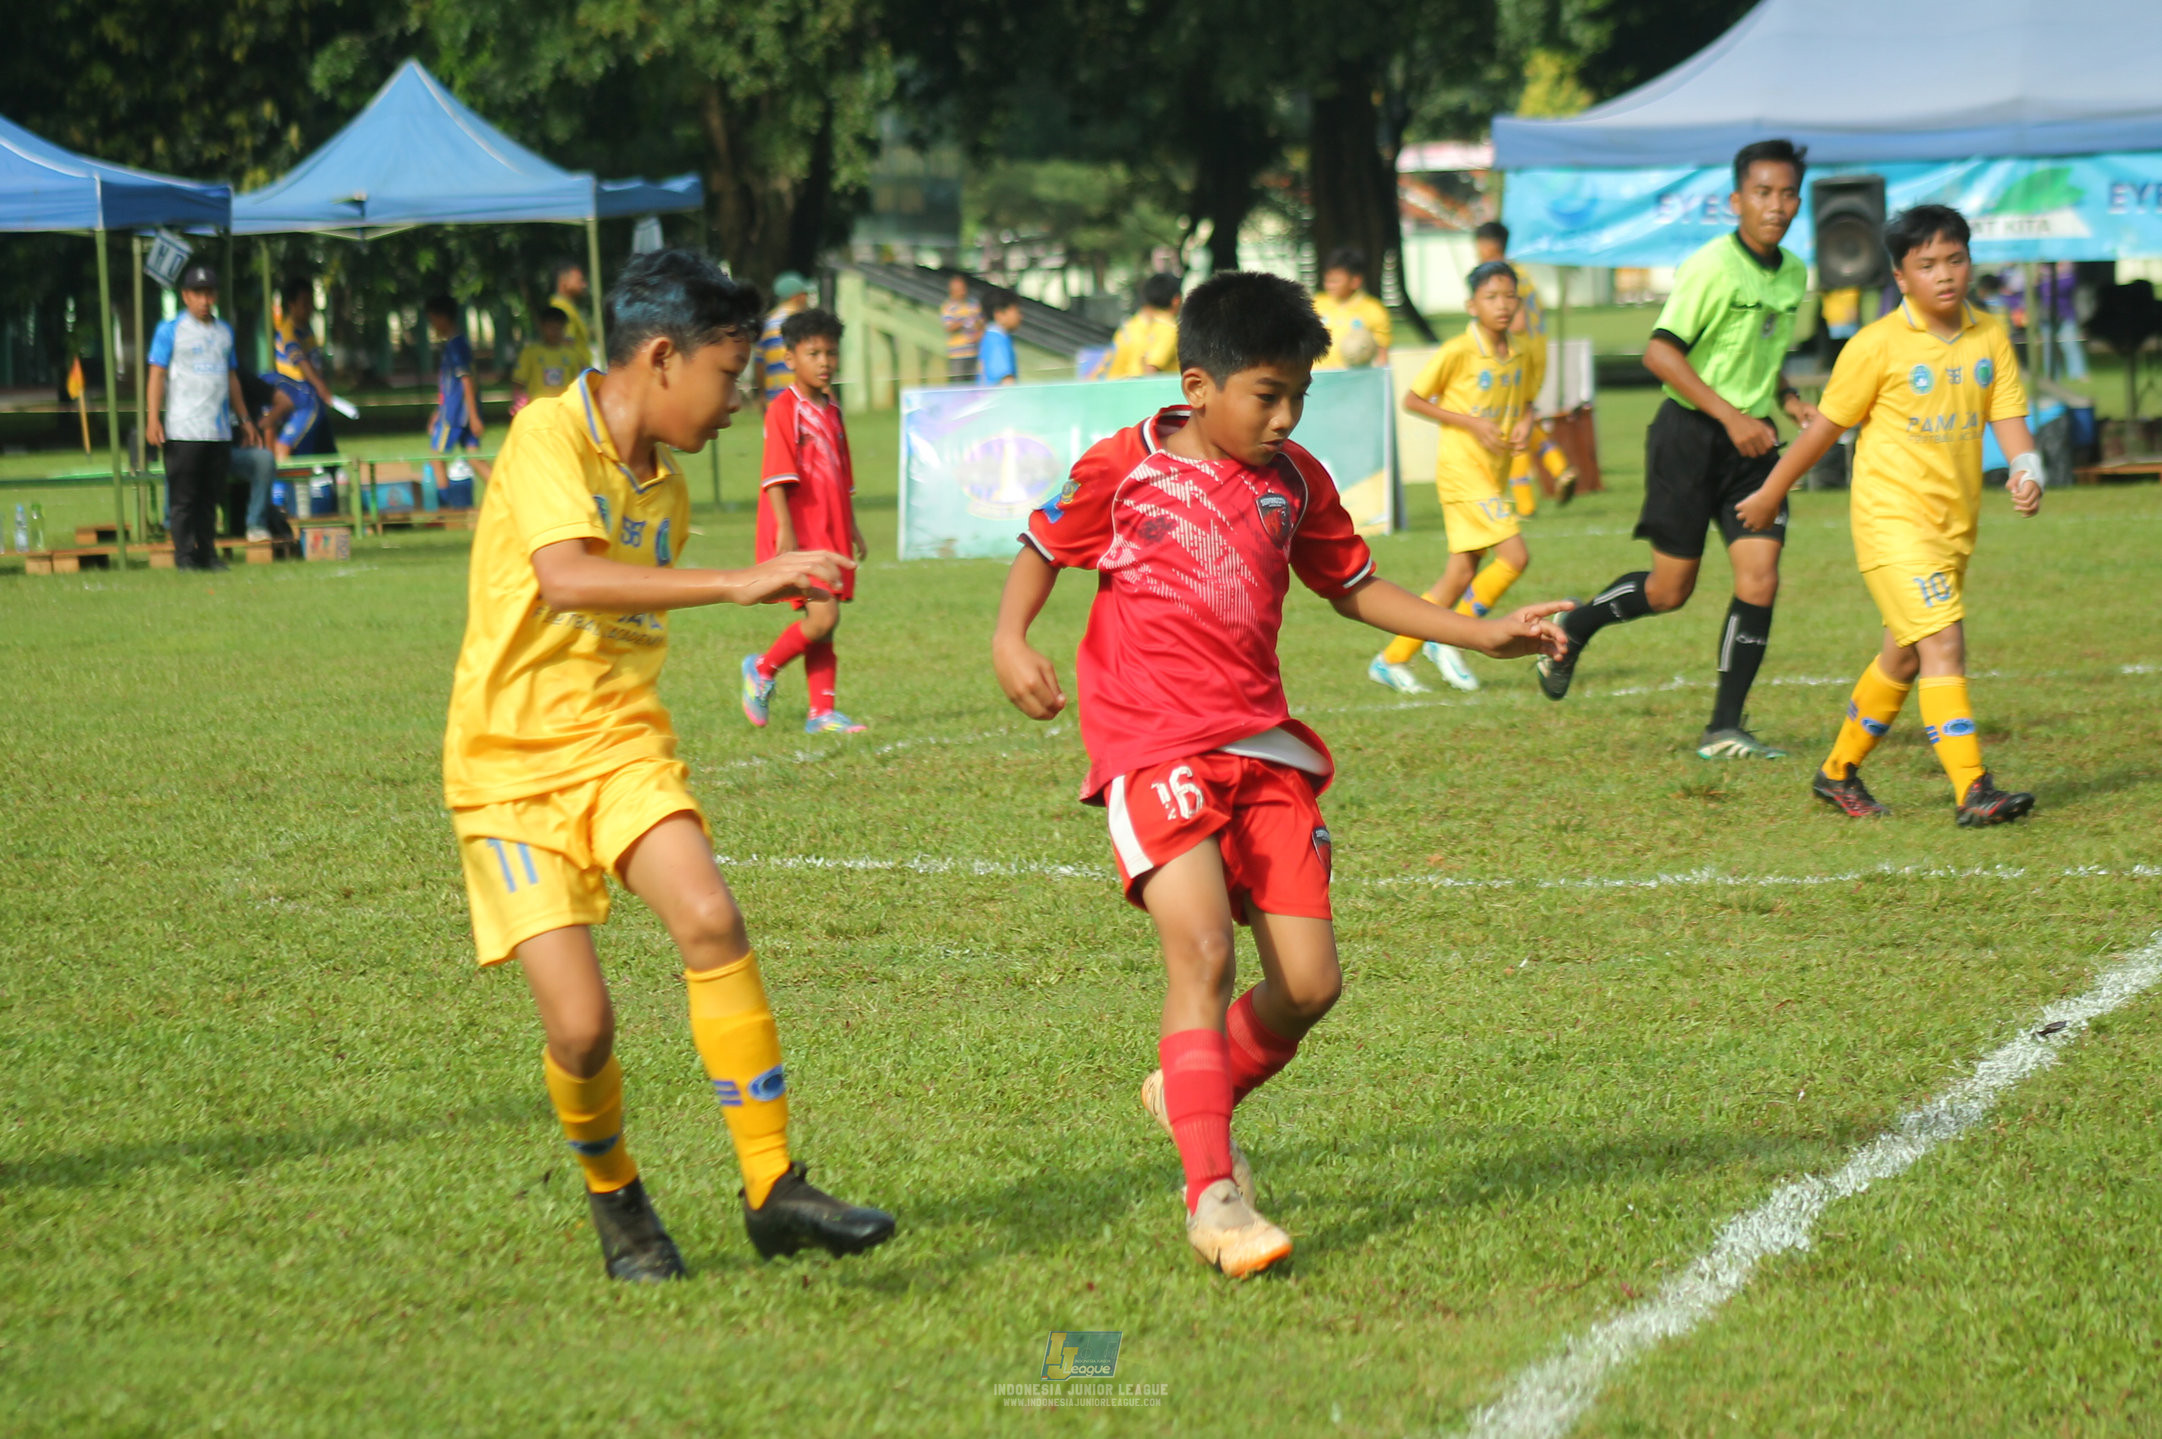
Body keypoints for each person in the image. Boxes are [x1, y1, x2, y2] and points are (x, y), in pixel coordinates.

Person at [989, 270, 1569, 1278]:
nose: (1285, 415)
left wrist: (1481, 632)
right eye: (1267, 395)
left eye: (1297, 395)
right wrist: (1009, 637)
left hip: (1261, 750)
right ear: (1197, 383)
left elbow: (1357, 586)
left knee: (1307, 984)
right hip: (1150, 744)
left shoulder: (1293, 480)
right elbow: (1044, 543)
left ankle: (1187, 1090)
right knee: (1202, 953)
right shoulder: (1121, 469)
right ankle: (1212, 1195)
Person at [442, 249, 895, 1283]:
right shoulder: (548, 434)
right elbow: (563, 575)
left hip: (617, 743)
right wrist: (742, 580)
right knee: (583, 1025)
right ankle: (616, 1199)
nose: (739, 399)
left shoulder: (668, 484)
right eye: (729, 374)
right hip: (508, 767)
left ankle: (773, 1184)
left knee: (709, 918)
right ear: (659, 357)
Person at [1734, 205, 2042, 827]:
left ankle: (1837, 772)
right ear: (1901, 277)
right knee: (1944, 643)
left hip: (1952, 529)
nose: (1945, 275)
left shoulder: (1988, 336)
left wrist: (2026, 467)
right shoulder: (1876, 346)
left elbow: (2007, 415)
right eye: (1926, 265)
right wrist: (1770, 491)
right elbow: (1823, 430)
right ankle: (1973, 789)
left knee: (1903, 657)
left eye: (1955, 259)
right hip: (1890, 524)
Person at [1537, 138, 1822, 762]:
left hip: (1753, 447)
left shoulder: (1795, 272)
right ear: (1736, 200)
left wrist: (1790, 398)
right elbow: (1660, 354)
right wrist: (1730, 416)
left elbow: (1755, 354)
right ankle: (1575, 627)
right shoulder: (1713, 267)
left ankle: (1724, 726)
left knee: (1760, 576)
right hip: (1689, 439)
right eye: (1762, 193)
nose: (1776, 205)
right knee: (1670, 591)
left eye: (1787, 194)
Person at [1369, 261, 1540, 695]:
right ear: (1471, 305)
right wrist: (1470, 423)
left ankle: (1391, 659)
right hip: (1463, 472)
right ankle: (1458, 635)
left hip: (1493, 470)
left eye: (1509, 296)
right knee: (1515, 556)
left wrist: (1525, 421)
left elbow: (1527, 401)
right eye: (1491, 297)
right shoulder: (1459, 350)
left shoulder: (1522, 350)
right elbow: (1413, 399)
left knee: (1459, 576)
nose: (1502, 306)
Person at [740, 308, 869, 735]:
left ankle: (822, 713)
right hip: (802, 530)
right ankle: (762, 667)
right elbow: (774, 475)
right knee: (823, 617)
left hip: (830, 529)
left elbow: (842, 475)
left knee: (826, 622)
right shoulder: (783, 409)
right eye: (813, 353)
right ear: (790, 358)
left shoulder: (833, 411)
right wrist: (786, 530)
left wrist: (851, 527)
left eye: (830, 353)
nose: (824, 362)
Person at [146, 262, 257, 571]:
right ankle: (184, 557)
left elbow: (231, 377)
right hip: (183, 429)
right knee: (184, 499)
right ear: (185, 296)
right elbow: (156, 376)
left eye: (209, 293)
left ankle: (208, 554)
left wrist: (245, 419)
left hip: (218, 429)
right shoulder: (170, 331)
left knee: (210, 498)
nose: (204, 300)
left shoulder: (224, 333)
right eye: (198, 293)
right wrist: (152, 419)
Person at [1472, 221, 1577, 513]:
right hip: (1536, 355)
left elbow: (1516, 324)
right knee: (1522, 421)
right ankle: (1559, 469)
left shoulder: (1503, 282)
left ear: (1493, 248)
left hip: (1519, 360)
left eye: (1482, 251)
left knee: (1512, 426)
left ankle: (1525, 504)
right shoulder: (1522, 277)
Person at [425, 295, 491, 492]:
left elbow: (466, 380)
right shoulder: (457, 344)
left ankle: (445, 512)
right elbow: (450, 385)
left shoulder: (456, 346)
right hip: (457, 411)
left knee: (436, 457)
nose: (432, 325)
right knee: (474, 458)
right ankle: (508, 498)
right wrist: (437, 411)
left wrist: (473, 416)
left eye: (432, 320)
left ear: (443, 318)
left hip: (455, 414)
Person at [228, 370, 295, 542]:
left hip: (239, 455)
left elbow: (285, 402)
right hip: (206, 451)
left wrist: (257, 427)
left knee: (264, 459)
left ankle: (256, 525)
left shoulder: (244, 378)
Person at [271, 278, 334, 459]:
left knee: (324, 453)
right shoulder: (288, 331)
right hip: (299, 397)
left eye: (310, 302)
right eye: (304, 303)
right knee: (285, 446)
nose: (309, 308)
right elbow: (300, 360)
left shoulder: (307, 329)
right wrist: (320, 386)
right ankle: (280, 485)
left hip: (313, 398)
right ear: (291, 305)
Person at [1311, 246, 1391, 370]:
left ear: (1355, 281)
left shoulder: (1373, 309)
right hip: (1320, 381)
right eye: (1327, 281)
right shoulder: (1315, 304)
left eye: (1335, 281)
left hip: (1356, 382)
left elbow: (1382, 355)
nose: (1329, 285)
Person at [1106, 273, 1182, 378]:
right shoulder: (1168, 329)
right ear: (1177, 300)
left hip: (1109, 388)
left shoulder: (1130, 326)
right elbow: (1150, 368)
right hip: (1133, 389)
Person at [512, 305, 586, 412]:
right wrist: (518, 402)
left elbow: (581, 383)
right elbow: (518, 382)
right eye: (551, 328)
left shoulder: (572, 354)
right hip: (537, 410)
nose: (555, 332)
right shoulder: (530, 353)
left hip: (564, 410)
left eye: (559, 328)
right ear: (542, 327)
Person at [755, 272, 813, 404]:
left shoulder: (767, 324)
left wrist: (762, 395)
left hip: (775, 400)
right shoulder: (802, 322)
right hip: (801, 397)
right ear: (797, 296)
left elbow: (759, 364)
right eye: (805, 294)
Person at [546, 260, 593, 367]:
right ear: (564, 282)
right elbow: (565, 345)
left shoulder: (569, 307)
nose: (584, 285)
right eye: (580, 280)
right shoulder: (560, 308)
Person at [939, 274, 983, 384]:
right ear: (953, 291)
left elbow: (981, 323)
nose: (963, 292)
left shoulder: (973, 304)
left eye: (964, 289)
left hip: (973, 352)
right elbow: (949, 327)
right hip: (957, 355)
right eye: (960, 290)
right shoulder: (948, 307)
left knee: (972, 384)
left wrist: (978, 331)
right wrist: (964, 321)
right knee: (958, 384)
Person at [979, 292, 1021, 385]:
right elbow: (1006, 381)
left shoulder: (990, 337)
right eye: (1016, 311)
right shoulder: (997, 340)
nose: (1020, 316)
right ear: (999, 314)